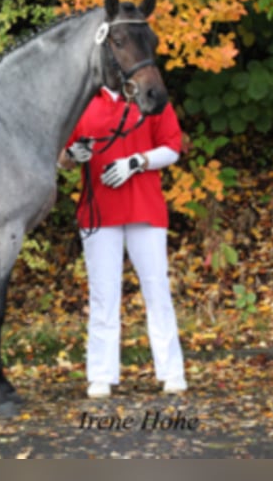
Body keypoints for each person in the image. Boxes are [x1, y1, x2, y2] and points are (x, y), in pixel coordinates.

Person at [58, 85, 187, 398]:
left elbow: (172, 147)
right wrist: (72, 156)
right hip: (98, 211)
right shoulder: (83, 102)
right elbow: (62, 157)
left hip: (145, 208)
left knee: (156, 289)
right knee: (103, 294)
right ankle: (100, 375)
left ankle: (171, 372)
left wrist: (136, 162)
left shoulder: (151, 96)